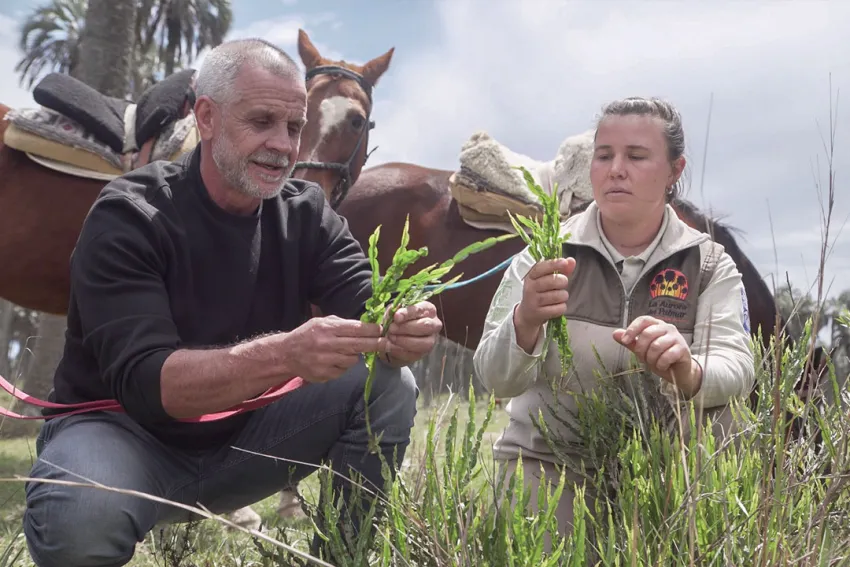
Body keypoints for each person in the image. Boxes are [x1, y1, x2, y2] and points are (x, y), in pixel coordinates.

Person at [22, 38, 441, 567]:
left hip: (246, 441)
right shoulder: (130, 215)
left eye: (293, 127)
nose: (284, 146)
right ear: (207, 117)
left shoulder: (307, 213)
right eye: (262, 120)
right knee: (79, 513)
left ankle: (342, 557)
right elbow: (153, 385)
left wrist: (406, 324)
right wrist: (287, 354)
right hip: (124, 437)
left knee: (386, 385)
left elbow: (371, 304)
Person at [472, 96, 754, 539]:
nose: (615, 169)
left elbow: (737, 368)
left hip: (667, 466)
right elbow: (494, 378)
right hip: (548, 461)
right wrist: (524, 322)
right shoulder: (544, 254)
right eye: (604, 155)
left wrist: (688, 369)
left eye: (636, 156)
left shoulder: (711, 265)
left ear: (673, 172)